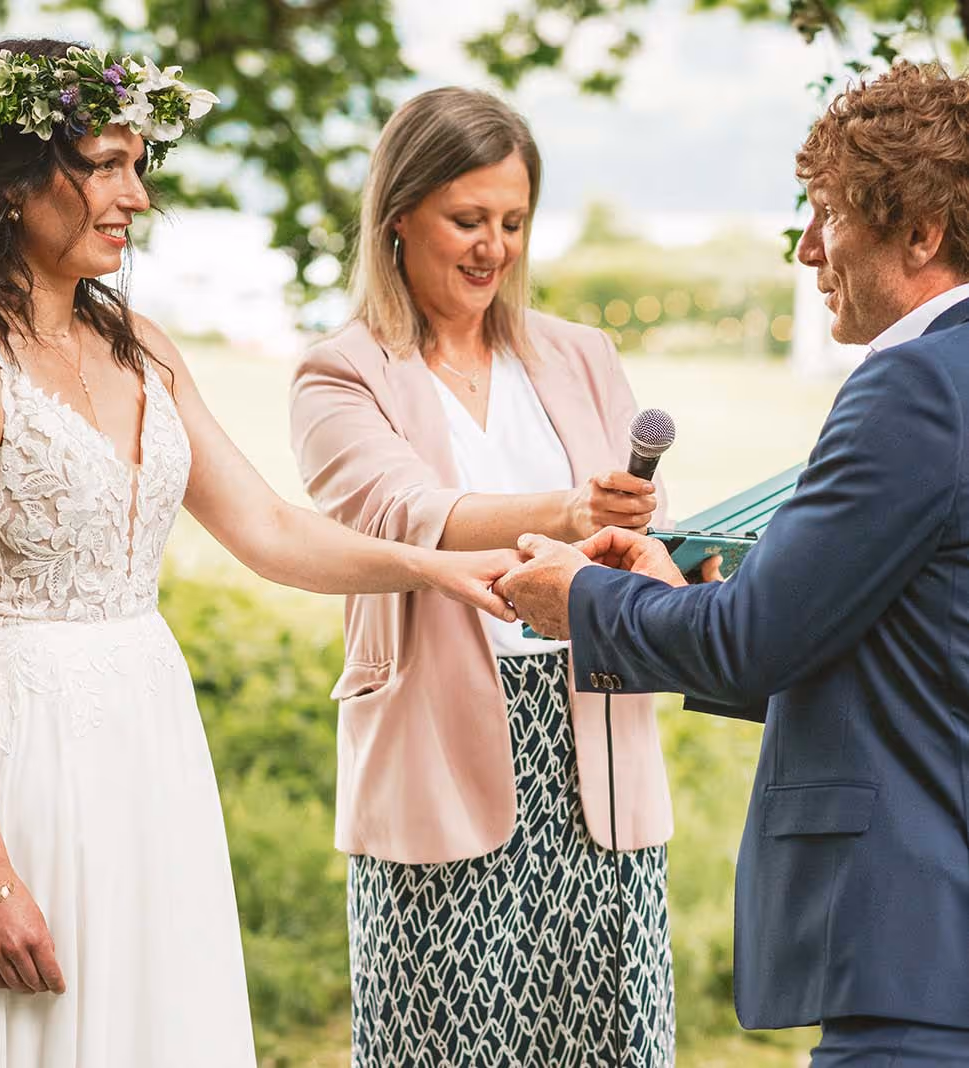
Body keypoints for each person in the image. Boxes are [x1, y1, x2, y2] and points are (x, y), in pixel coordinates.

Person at [0, 40, 518, 1068]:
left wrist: (436, 570)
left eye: (140, 167)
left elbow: (267, 528)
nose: (136, 198)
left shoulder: (142, 346)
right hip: (25, 756)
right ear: (13, 180)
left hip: (150, 732)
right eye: (107, 165)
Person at [498, 61, 969, 1066]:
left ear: (923, 232)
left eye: (829, 214)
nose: (807, 250)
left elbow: (755, 643)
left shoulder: (914, 390)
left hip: (920, 943)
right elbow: (914, 641)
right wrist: (677, 598)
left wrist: (585, 598)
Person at [289, 87, 676, 1067]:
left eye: (512, 222)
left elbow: (640, 528)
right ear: (398, 217)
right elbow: (407, 512)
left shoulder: (583, 355)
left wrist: (662, 539)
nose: (492, 247)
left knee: (608, 1040)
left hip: (596, 747)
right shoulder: (341, 374)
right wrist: (570, 511)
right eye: (467, 219)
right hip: (438, 748)